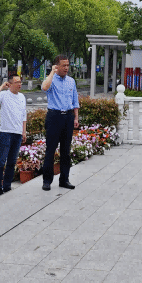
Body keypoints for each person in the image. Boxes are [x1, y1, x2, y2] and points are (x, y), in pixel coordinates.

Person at [40, 55, 79, 191]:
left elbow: (75, 100)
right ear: (57, 66)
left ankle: (64, 179)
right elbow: (44, 88)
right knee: (50, 150)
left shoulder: (71, 81)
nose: (66, 68)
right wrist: (52, 72)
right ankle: (47, 181)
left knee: (66, 151)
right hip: (54, 116)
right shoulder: (51, 80)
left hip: (68, 117)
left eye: (68, 65)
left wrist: (76, 118)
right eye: (63, 65)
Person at [0, 76, 26, 196]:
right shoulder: (4, 95)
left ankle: (7, 186)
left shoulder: (22, 97)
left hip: (17, 133)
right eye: (16, 82)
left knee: (12, 162)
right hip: (5, 132)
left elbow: (24, 115)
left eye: (20, 82)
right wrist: (2, 86)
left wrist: (24, 131)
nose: (19, 84)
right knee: (1, 162)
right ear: (10, 84)